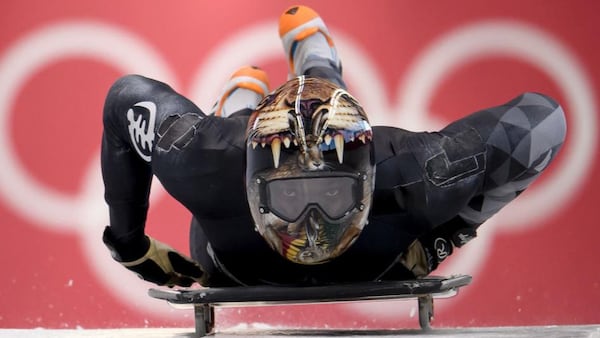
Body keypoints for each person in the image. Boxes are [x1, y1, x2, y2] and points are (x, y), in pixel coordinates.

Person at [101, 5, 566, 287]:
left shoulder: (413, 171)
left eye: (331, 195)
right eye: (288, 197)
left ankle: (265, 88)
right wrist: (447, 233)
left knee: (239, 127)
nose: (312, 228)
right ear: (250, 184)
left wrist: (130, 244)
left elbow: (125, 99)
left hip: (233, 257)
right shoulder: (417, 174)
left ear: (369, 181)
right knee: (238, 128)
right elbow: (541, 123)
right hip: (354, 247)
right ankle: (299, 73)